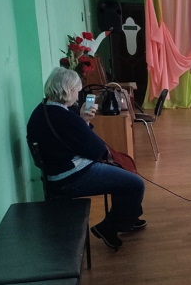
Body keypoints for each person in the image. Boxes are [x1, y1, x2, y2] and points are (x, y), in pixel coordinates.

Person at [26, 67, 145, 251]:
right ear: (68, 90)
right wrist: (84, 121)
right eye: (77, 90)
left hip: (56, 173)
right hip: (70, 178)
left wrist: (81, 120)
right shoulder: (64, 118)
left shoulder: (43, 110)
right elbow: (97, 150)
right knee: (135, 183)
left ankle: (128, 217)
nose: (78, 95)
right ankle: (109, 227)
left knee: (121, 174)